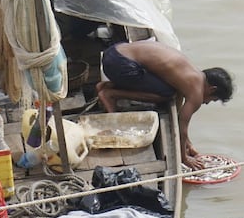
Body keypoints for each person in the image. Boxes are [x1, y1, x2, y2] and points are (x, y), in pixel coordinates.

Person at [97, 40, 234, 170]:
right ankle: (110, 94)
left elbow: (180, 111)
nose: (207, 102)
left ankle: (108, 85)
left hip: (113, 54)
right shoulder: (196, 92)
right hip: (120, 64)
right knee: (166, 94)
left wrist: (188, 144)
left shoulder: (192, 74)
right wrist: (184, 159)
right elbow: (182, 125)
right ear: (212, 89)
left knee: (167, 89)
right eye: (213, 99)